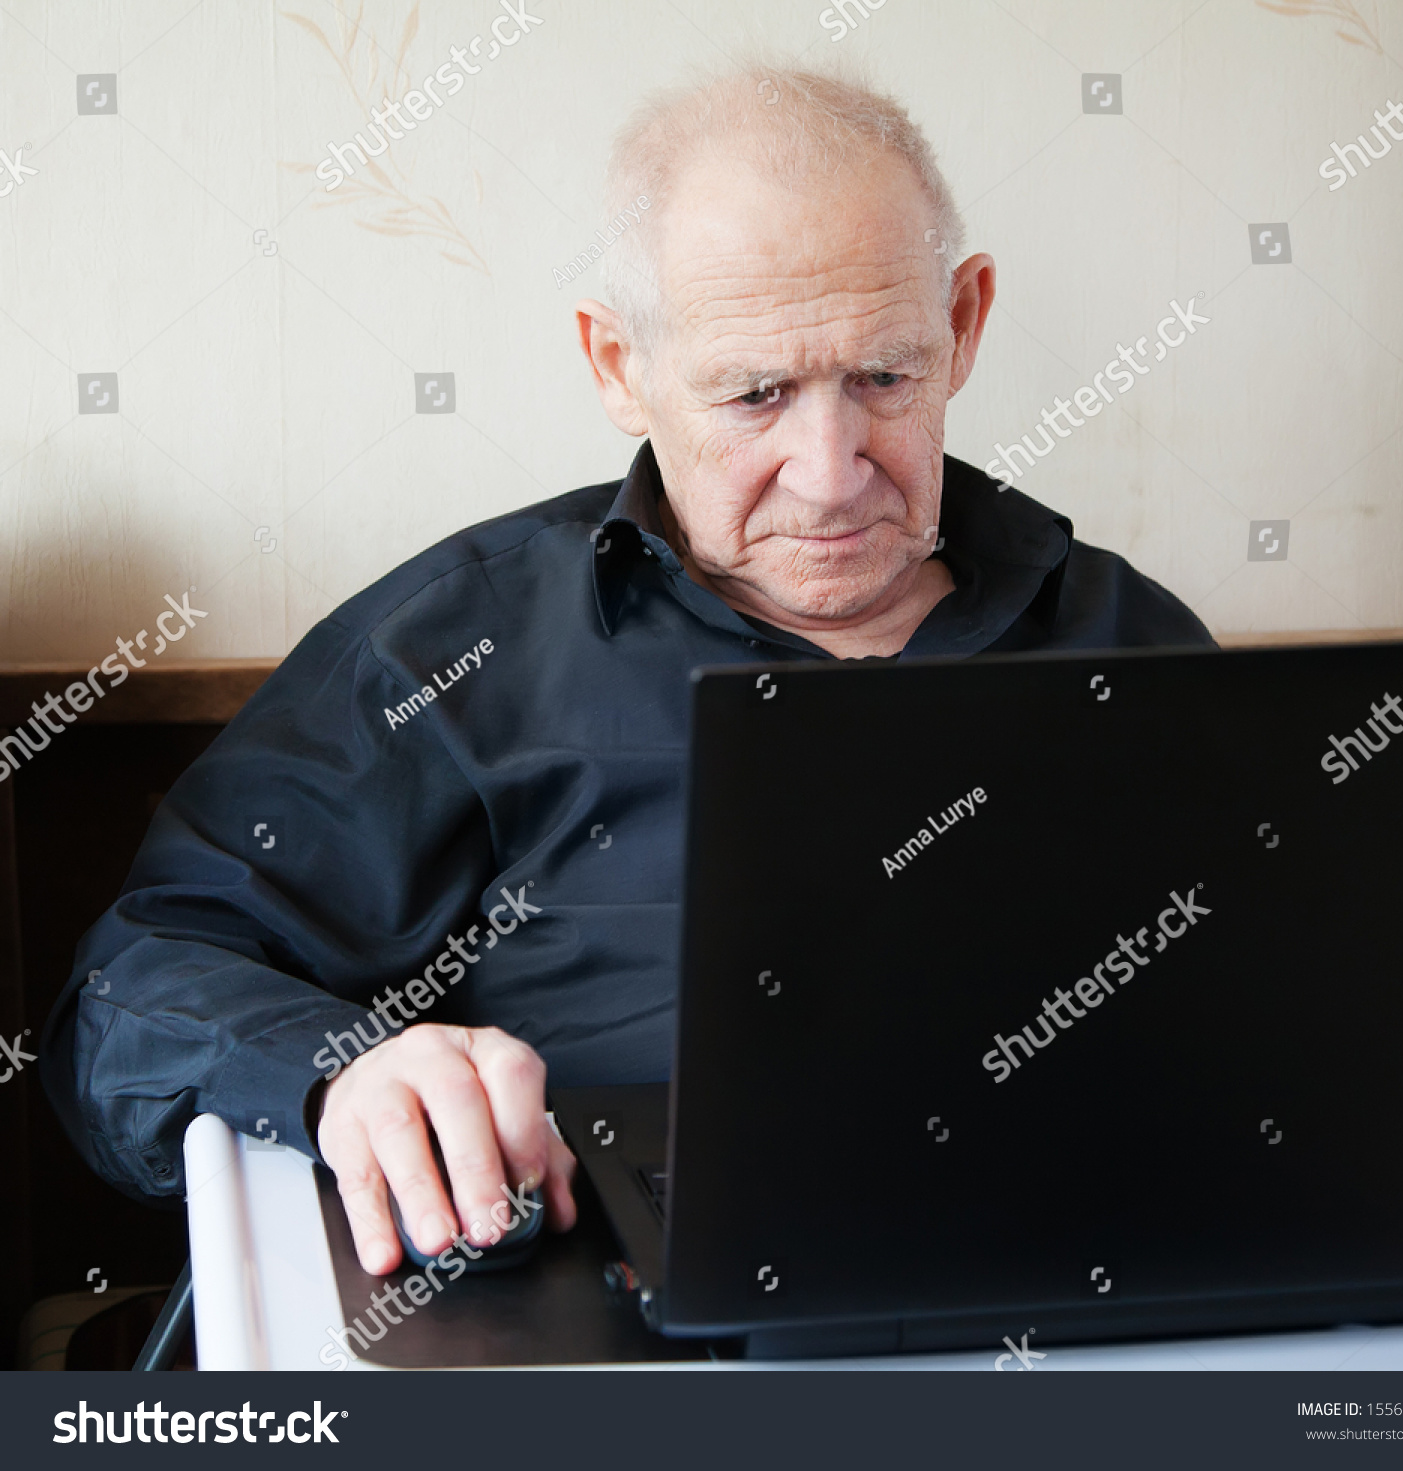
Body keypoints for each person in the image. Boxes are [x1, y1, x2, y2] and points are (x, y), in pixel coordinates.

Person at [42, 62, 1211, 1278]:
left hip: (1091, 1286)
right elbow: (128, 997)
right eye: (757, 394)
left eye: (884, 377)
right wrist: (343, 1070)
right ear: (618, 365)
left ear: (962, 326)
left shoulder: (1129, 642)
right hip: (590, 1313)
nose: (830, 466)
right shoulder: (460, 652)